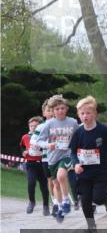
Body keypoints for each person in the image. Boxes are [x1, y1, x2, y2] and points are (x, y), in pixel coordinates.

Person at [67, 96, 107, 233]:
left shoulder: (104, 130)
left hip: (100, 171)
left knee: (97, 198)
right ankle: (91, 228)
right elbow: (73, 152)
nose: (85, 116)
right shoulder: (78, 133)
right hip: (84, 172)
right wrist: (76, 164)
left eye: (88, 113)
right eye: (82, 113)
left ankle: (106, 198)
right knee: (85, 200)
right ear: (79, 115)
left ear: (95, 113)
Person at [34, 95, 79, 223]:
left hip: (67, 154)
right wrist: (49, 145)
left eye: (62, 108)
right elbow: (38, 142)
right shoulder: (48, 124)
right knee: (56, 184)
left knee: (61, 176)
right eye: (57, 109)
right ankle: (59, 207)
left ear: (66, 109)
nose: (60, 111)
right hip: (53, 157)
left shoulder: (73, 122)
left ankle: (66, 201)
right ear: (53, 111)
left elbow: (78, 137)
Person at [20, 116, 49, 215]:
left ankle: (46, 206)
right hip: (30, 163)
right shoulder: (25, 137)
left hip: (42, 163)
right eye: (31, 126)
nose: (32, 127)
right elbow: (22, 146)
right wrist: (24, 152)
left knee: (44, 185)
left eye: (35, 126)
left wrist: (41, 149)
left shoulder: (44, 137)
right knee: (31, 183)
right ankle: (32, 201)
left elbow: (48, 148)